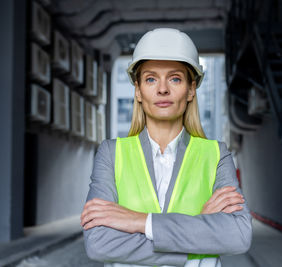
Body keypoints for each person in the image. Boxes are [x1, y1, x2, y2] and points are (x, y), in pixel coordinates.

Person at [80, 28, 252, 267]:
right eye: (151, 79)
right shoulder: (112, 153)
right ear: (138, 91)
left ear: (191, 90)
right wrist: (199, 236)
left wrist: (142, 222)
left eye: (175, 78)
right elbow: (98, 243)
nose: (162, 89)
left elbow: (238, 236)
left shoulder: (215, 155)